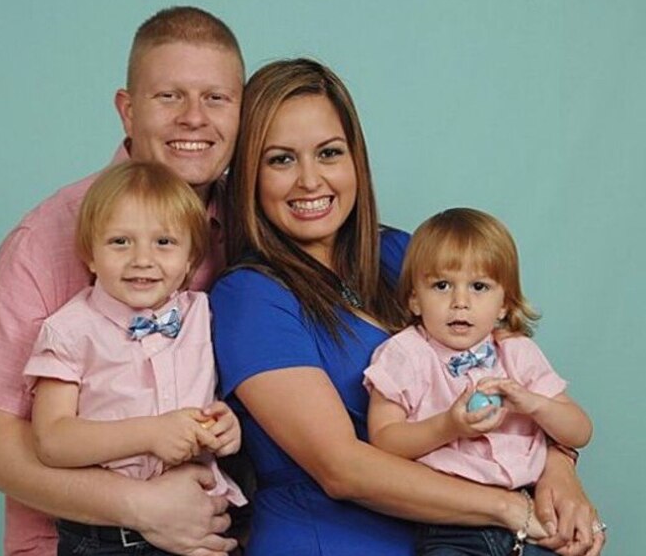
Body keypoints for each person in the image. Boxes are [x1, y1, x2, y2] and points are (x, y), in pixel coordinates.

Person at [209, 58, 605, 556]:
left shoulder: (403, 254)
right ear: (248, 174)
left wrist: (559, 470)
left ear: (356, 158)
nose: (310, 180)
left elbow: (512, 372)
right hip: (330, 539)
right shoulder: (249, 296)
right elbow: (342, 469)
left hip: (461, 538)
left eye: (329, 153)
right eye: (281, 160)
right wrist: (512, 509)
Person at [0, 6, 244, 556]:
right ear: (127, 111)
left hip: (210, 535)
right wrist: (143, 506)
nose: (194, 118)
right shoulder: (45, 239)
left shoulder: (250, 227)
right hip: (75, 541)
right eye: (169, 96)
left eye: (216, 98)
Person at [23, 161, 247, 555]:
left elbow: (216, 397)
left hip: (200, 520)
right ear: (89, 254)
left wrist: (225, 426)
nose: (142, 259)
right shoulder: (71, 330)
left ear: (191, 259)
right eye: (120, 242)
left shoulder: (201, 315)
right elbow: (52, 440)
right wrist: (150, 433)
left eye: (163, 242)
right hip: (110, 539)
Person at [364, 207, 593, 555]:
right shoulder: (403, 355)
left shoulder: (517, 353)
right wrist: (448, 426)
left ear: (504, 303)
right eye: (442, 286)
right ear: (414, 298)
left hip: (531, 513)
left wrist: (536, 404)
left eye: (479, 286)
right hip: (451, 524)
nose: (460, 302)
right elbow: (383, 441)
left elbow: (580, 432)